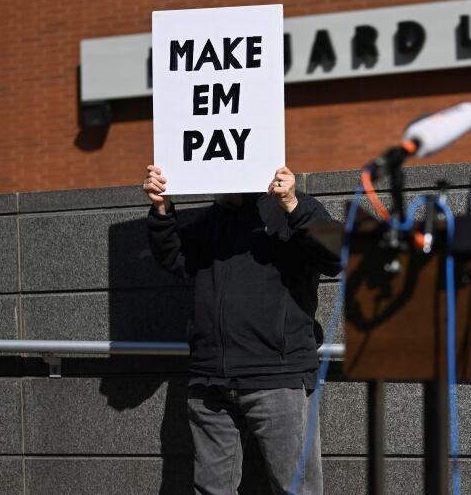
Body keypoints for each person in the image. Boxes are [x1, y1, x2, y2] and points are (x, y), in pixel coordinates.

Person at [143, 164, 340, 495]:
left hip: (277, 379)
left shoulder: (288, 209)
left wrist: (292, 204)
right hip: (211, 384)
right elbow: (176, 257)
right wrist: (162, 209)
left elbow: (336, 257)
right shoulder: (212, 220)